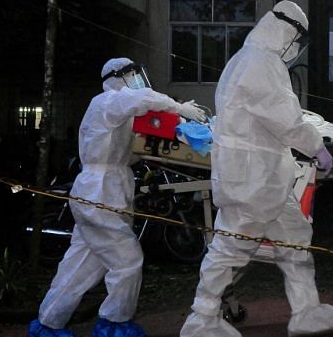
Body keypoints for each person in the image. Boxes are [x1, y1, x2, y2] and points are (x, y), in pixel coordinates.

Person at [179, 0, 333, 337]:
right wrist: (317, 147)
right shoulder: (262, 62)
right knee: (230, 248)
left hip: (263, 179)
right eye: (297, 42)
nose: (296, 50)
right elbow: (286, 119)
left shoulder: (245, 60)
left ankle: (306, 310)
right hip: (253, 180)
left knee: (296, 238)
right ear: (288, 34)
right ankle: (201, 320)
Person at [29, 58, 206, 337]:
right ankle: (114, 324)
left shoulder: (119, 113)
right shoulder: (107, 101)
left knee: (81, 266)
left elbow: (131, 149)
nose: (137, 80)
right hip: (99, 193)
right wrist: (178, 107)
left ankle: (48, 323)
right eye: (133, 75)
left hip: (108, 190)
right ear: (118, 77)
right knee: (127, 260)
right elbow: (140, 98)